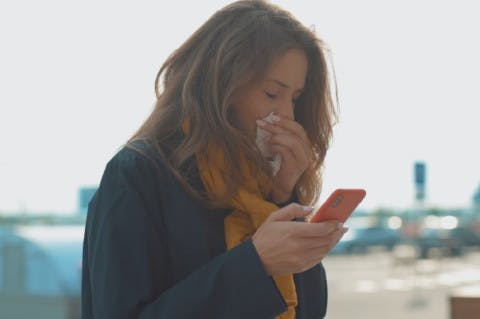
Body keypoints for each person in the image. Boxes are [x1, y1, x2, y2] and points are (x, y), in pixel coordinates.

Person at [81, 1, 348, 318]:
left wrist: (282, 195)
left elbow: (309, 311)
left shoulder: (263, 188)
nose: (287, 114)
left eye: (295, 98)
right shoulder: (139, 175)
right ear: (222, 85)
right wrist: (255, 263)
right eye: (272, 93)